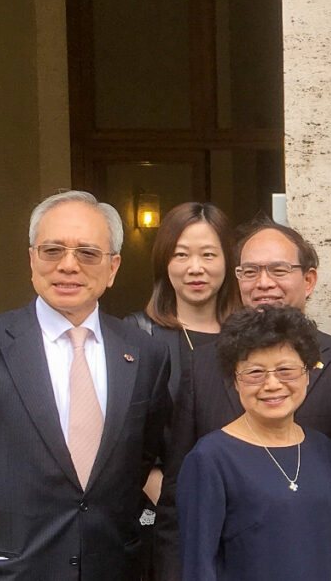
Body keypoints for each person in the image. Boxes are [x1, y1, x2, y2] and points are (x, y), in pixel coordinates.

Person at [0, 190, 171, 579]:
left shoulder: (144, 355)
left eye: (87, 253)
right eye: (52, 251)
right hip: (8, 570)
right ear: (32, 259)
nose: (69, 266)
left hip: (111, 565)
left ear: (113, 267)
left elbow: (139, 459)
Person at [156, 218, 331, 578]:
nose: (263, 282)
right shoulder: (203, 364)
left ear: (309, 280)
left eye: (279, 270)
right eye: (250, 271)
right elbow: (177, 509)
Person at [176, 305, 331, 580]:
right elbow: (199, 565)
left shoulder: (323, 449)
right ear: (235, 381)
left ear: (307, 374)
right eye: (255, 373)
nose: (272, 384)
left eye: (286, 370)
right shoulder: (210, 458)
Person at [124, 202, 239, 577]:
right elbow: (124, 435)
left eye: (209, 254)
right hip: (164, 519)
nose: (196, 268)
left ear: (228, 261)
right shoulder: (137, 336)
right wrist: (169, 494)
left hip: (242, 514)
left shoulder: (250, 337)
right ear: (164, 262)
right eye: (181, 255)